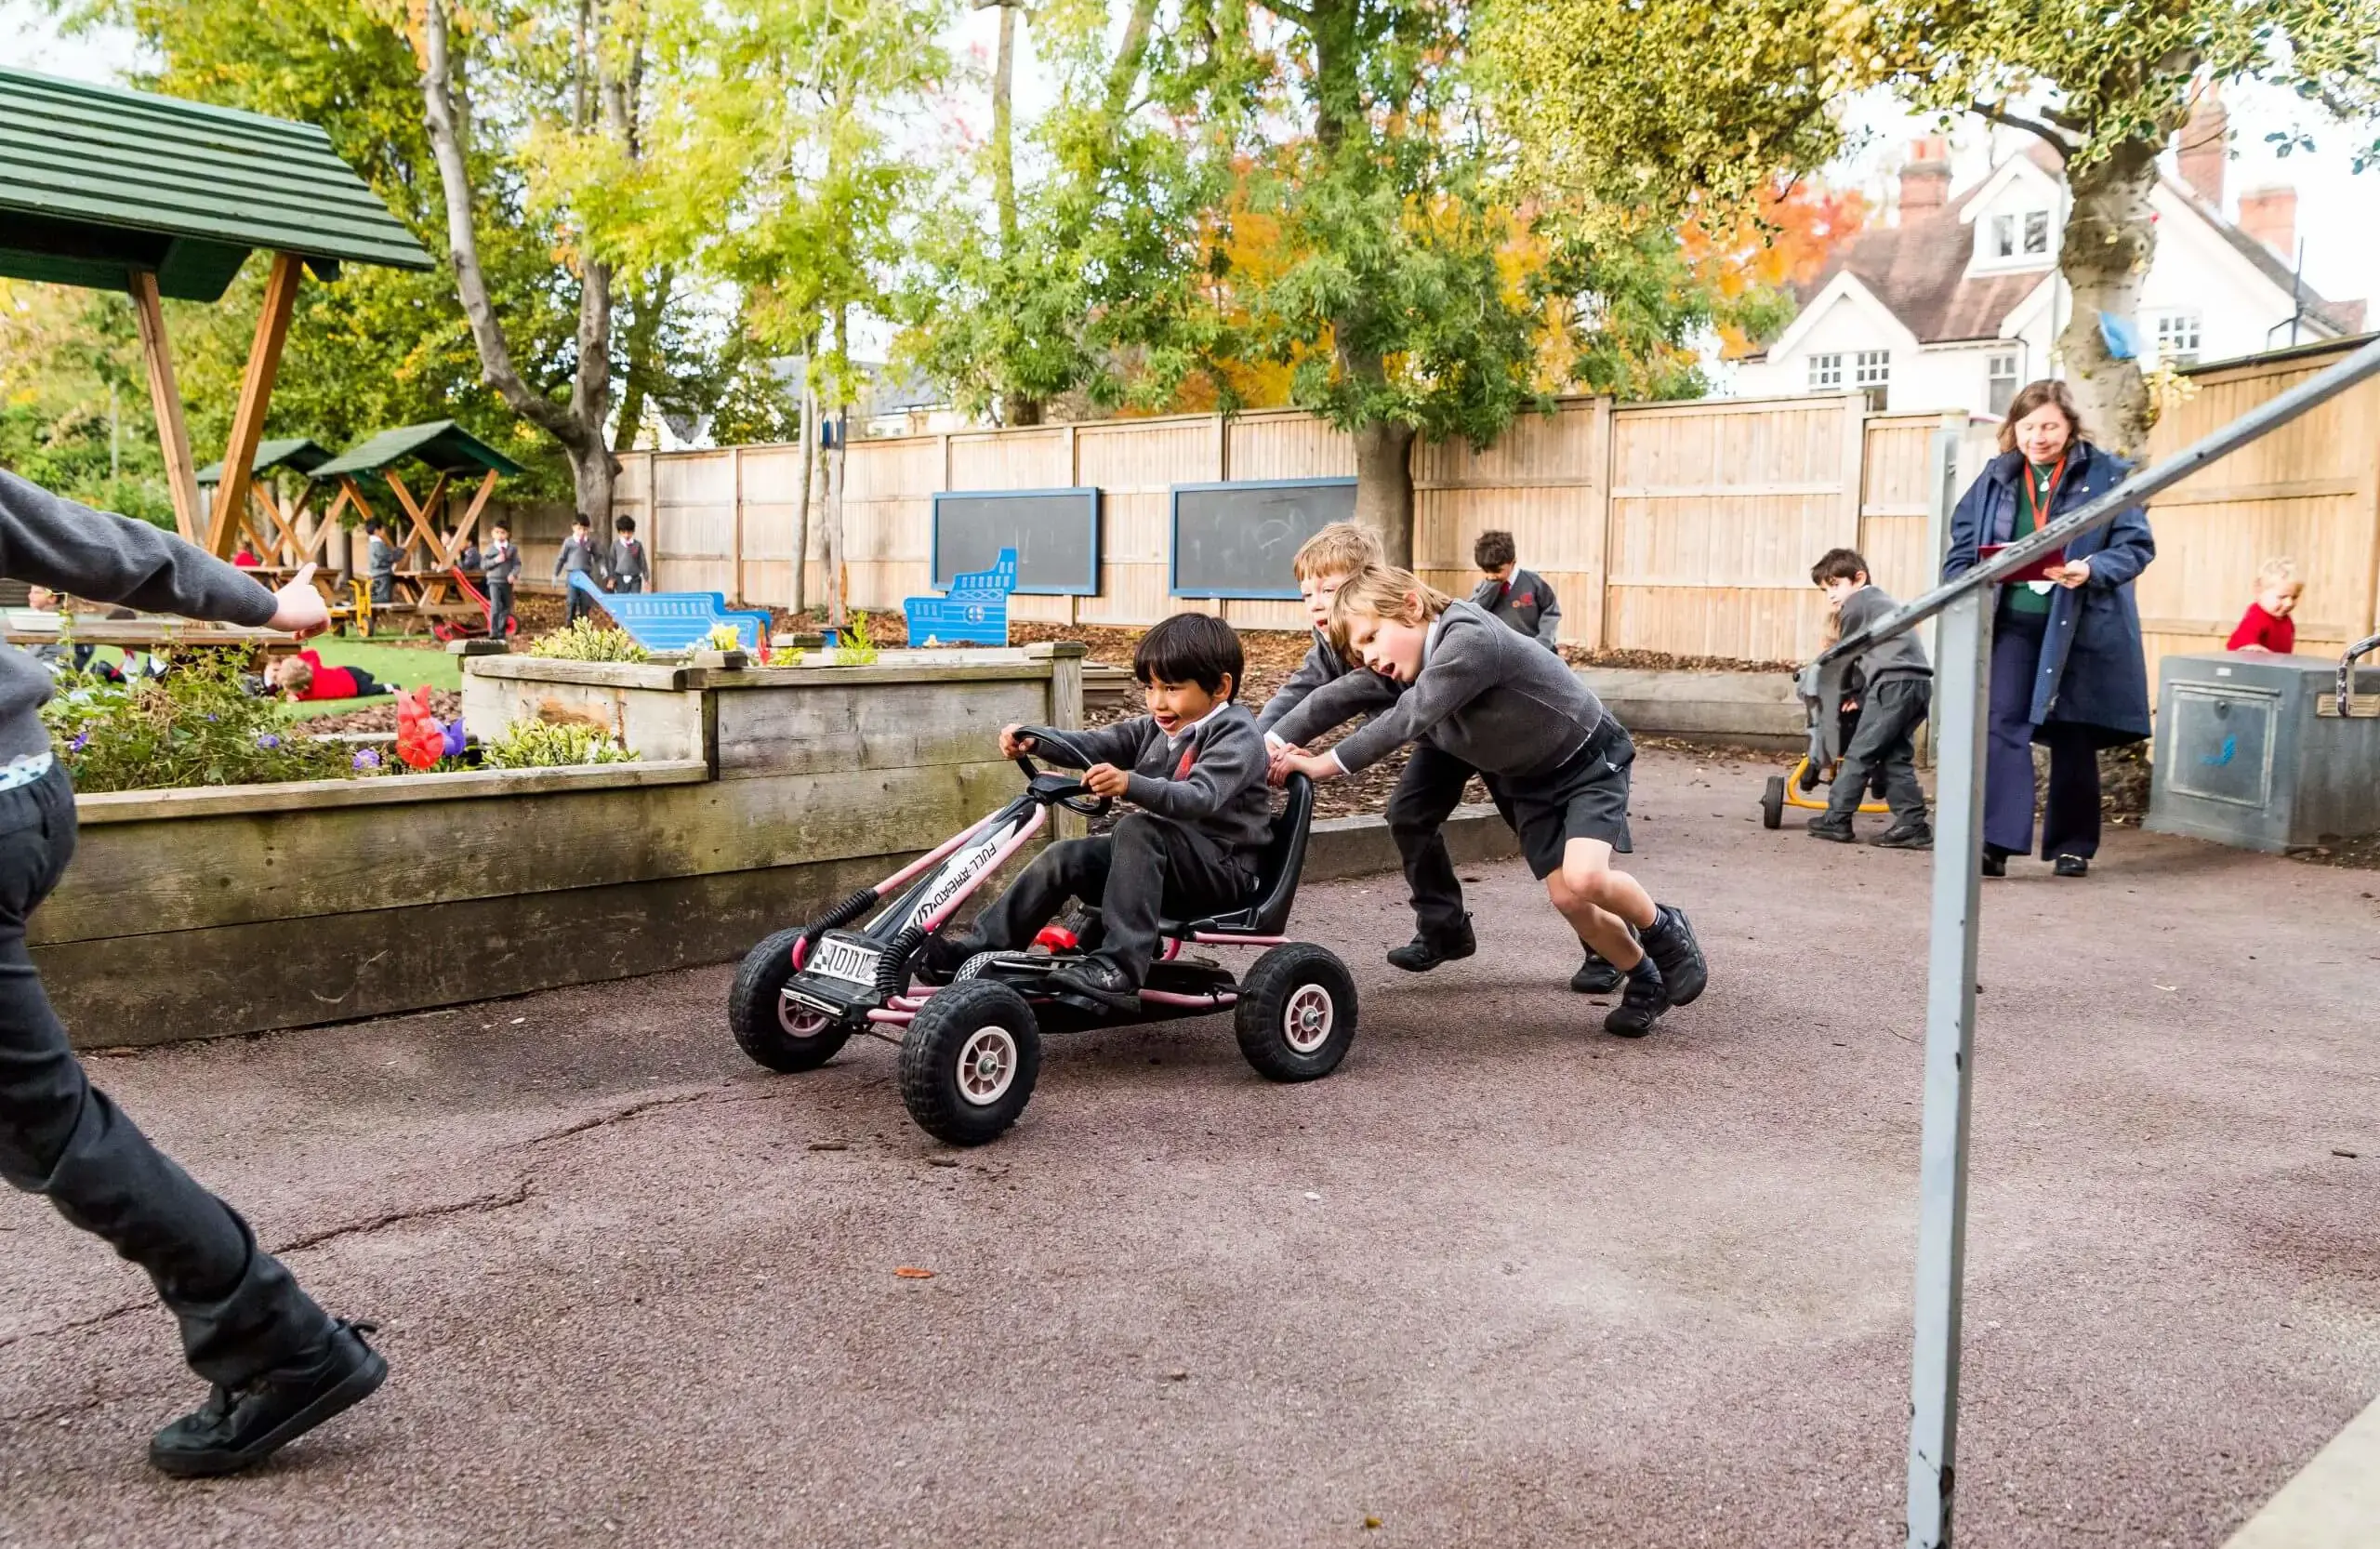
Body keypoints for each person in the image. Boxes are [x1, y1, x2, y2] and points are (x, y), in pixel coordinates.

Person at [0, 470, 387, 1476]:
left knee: (45, 1121)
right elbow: (90, 538)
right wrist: (267, 602)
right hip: (27, 790)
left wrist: (261, 606)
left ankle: (282, 1342)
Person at [1274, 566, 1708, 1038]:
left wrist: (1321, 765)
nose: (1370, 657)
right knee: (1568, 898)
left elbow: (1406, 719)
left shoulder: (1469, 639)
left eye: (1372, 638)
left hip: (1587, 760)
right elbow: (1329, 700)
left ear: (1411, 607)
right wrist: (1259, 748)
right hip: (1531, 781)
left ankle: (1665, 929)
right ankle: (1645, 977)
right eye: (1359, 651)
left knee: (1586, 876)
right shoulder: (1406, 665)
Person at [924, 613, 1271, 1013]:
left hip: (1222, 872)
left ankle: (1118, 969)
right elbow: (1097, 743)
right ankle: (978, 951)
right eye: (1151, 688)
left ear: (1220, 687)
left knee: (1139, 829)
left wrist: (1130, 783)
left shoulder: (1237, 734)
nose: (1157, 701)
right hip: (1165, 862)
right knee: (1066, 855)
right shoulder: (1160, 728)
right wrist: (1036, 740)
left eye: (1172, 688)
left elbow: (1199, 796)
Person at [1944, 379, 2155, 880]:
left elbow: (2134, 548)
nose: (2038, 437)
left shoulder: (2107, 475)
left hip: (2082, 621)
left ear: (2070, 427)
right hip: (2013, 619)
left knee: (2073, 731)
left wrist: (2091, 569)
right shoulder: (1996, 478)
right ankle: (1996, 841)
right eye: (2028, 426)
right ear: (2014, 428)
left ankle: (2073, 845)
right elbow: (1960, 552)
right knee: (2003, 722)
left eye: (2050, 426)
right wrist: (1971, 581)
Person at [1806, 548, 1932, 848]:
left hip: (1893, 684)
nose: (1831, 596)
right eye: (1826, 590)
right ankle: (1912, 824)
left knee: (1859, 753)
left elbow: (1848, 655)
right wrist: (1863, 695)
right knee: (1893, 756)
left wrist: (1846, 695)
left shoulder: (1859, 604)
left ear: (1858, 577)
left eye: (1835, 585)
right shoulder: (1882, 603)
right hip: (1916, 682)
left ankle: (1836, 819)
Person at [1469, 529, 1561, 648]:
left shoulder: (1533, 582)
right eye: (1486, 571)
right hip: (1498, 653)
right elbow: (1473, 614)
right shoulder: (1483, 588)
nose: (1491, 576)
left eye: (1497, 571)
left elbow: (1550, 612)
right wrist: (1490, 589)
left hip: (1533, 650)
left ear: (1513, 562)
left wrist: (1543, 642)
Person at [2226, 557, 2302, 654]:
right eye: (2282, 597)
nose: (2289, 603)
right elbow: (2240, 643)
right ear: (2259, 591)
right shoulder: (2257, 616)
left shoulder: (2285, 620)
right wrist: (2251, 647)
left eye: (2294, 597)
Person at [268, 648, 390, 702]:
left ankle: (389, 687)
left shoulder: (306, 696)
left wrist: (283, 698)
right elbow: (312, 653)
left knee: (374, 689)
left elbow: (293, 697)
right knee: (365, 676)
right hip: (349, 672)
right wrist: (296, 659)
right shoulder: (314, 669)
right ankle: (369, 677)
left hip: (356, 689)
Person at [556, 512, 604, 623]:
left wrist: (602, 567)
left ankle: (584, 631)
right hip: (573, 576)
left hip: (585, 577)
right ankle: (569, 629)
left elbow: (598, 557)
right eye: (579, 529)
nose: (582, 532)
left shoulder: (590, 543)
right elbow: (561, 558)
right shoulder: (568, 542)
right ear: (573, 528)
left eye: (585, 529)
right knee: (571, 602)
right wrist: (555, 574)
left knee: (585, 603)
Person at [483, 521, 520, 640]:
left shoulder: (512, 549)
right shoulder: (490, 549)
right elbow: (483, 565)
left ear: (507, 534)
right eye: (497, 532)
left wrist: (513, 574)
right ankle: (493, 631)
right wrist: (496, 560)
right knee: (495, 605)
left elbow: (517, 564)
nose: (500, 535)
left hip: (506, 582)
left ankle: (501, 631)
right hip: (493, 581)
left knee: (506, 606)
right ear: (493, 534)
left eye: (503, 532)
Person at [607, 515, 648, 594]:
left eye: (629, 532)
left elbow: (643, 562)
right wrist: (611, 578)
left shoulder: (637, 545)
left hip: (635, 578)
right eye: (623, 532)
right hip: (620, 578)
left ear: (633, 531)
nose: (626, 535)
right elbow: (612, 562)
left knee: (635, 599)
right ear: (619, 532)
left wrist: (646, 579)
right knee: (621, 598)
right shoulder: (615, 545)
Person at [362, 518, 398, 606]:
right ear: (377, 530)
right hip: (382, 576)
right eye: (382, 529)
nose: (384, 531)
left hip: (375, 575)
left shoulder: (371, 544)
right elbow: (389, 557)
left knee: (376, 597)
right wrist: (399, 553)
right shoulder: (378, 544)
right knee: (382, 599)